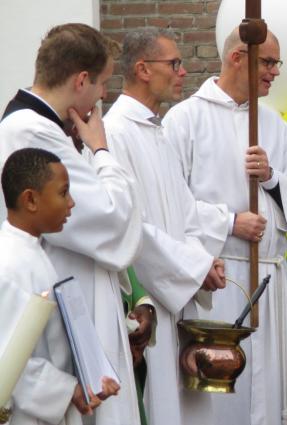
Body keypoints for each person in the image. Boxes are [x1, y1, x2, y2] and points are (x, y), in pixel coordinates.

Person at [163, 27, 287, 425]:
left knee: (275, 397)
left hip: (269, 282)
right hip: (219, 278)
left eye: (276, 63)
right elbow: (168, 207)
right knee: (222, 404)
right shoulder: (185, 120)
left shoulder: (274, 125)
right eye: (267, 62)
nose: (275, 72)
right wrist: (230, 223)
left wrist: (271, 178)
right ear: (237, 58)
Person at [0, 23, 143, 425]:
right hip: (49, 292)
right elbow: (113, 220)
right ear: (81, 79)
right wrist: (100, 148)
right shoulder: (31, 130)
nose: (104, 95)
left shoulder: (37, 126)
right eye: (102, 84)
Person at [103, 28, 229, 425]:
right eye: (174, 63)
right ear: (142, 69)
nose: (183, 71)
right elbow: (130, 224)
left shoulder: (158, 131)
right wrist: (194, 268)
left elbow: (185, 212)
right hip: (151, 302)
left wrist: (204, 260)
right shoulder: (117, 132)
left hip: (179, 296)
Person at [0, 147, 120, 425]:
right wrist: (68, 390)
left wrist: (89, 377)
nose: (71, 203)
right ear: (31, 199)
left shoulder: (31, 251)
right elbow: (7, 357)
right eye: (63, 193)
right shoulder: (9, 264)